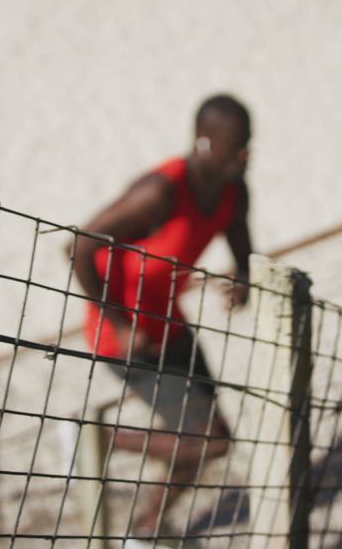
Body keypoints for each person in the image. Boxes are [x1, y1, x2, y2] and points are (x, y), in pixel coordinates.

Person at [71, 94, 253, 535]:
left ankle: (147, 529)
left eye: (249, 144)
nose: (246, 155)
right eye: (236, 145)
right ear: (204, 142)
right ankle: (92, 440)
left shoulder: (233, 190)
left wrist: (241, 282)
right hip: (124, 338)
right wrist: (119, 323)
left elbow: (243, 247)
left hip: (171, 326)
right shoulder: (160, 192)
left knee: (204, 439)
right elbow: (79, 246)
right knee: (211, 440)